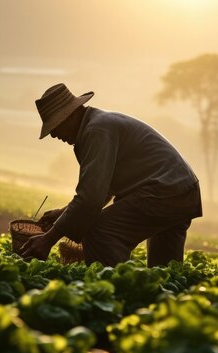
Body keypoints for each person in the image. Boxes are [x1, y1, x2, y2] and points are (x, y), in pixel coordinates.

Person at [20, 83, 202, 267]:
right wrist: (62, 214)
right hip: (183, 191)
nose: (54, 135)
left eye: (56, 126)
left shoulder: (96, 130)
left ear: (73, 114)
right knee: (165, 269)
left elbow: (90, 199)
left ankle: (115, 291)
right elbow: (102, 191)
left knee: (99, 232)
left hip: (164, 192)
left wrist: (48, 240)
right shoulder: (99, 124)